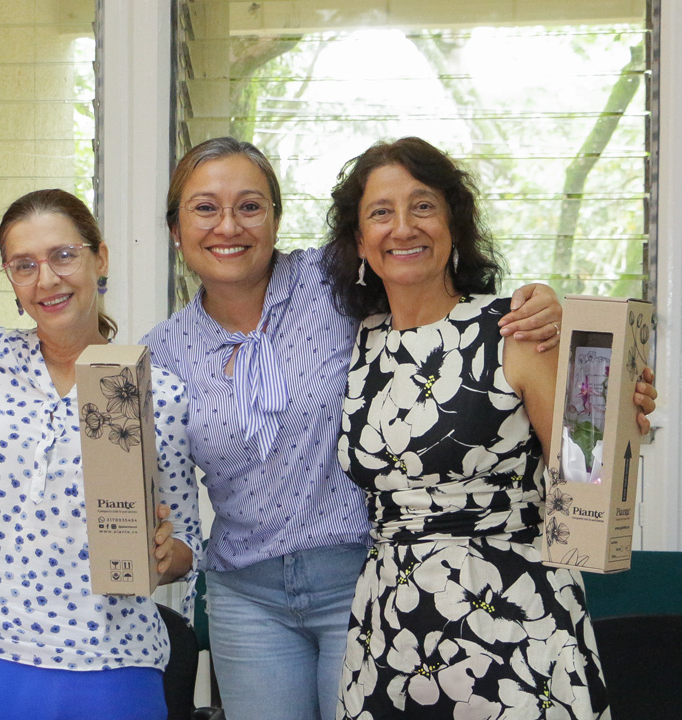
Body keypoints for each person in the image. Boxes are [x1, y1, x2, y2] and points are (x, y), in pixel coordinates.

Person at [142, 137, 564, 720]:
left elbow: (440, 318)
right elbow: (167, 496)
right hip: (246, 596)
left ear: (275, 218)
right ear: (175, 230)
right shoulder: (159, 354)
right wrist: (161, 552)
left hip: (362, 576)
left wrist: (548, 312)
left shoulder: (334, 281)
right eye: (204, 208)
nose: (228, 226)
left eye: (249, 205)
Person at [324, 136, 657, 719]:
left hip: (513, 618)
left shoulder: (512, 330)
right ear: (359, 240)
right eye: (381, 212)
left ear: (454, 225)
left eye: (423, 206)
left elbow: (588, 467)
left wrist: (613, 400)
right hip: (392, 625)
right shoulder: (360, 343)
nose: (403, 227)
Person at [0, 189, 201, 720]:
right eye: (24, 265)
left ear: (101, 258)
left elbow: (186, 541)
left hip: (109, 658)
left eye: (63, 256)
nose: (46, 279)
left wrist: (166, 556)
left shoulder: (152, 389)